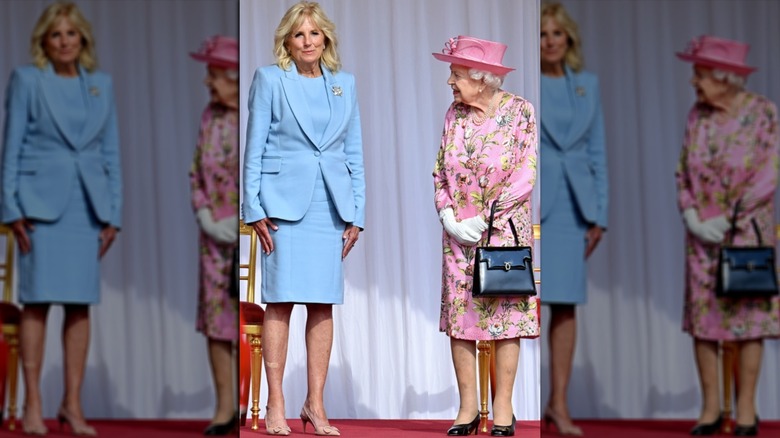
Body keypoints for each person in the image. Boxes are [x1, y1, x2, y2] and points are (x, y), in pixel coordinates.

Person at [242, 1, 365, 436]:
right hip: (281, 208)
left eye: (315, 34)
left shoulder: (344, 85)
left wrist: (358, 214)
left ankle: (315, 403)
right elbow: (253, 147)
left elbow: (353, 154)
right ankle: (276, 402)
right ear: (287, 42)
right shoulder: (270, 79)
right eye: (299, 35)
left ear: (325, 38)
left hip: (330, 209)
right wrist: (253, 208)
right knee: (279, 301)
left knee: (322, 303)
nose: (308, 41)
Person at [0, 2, 122, 436]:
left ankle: (72, 403)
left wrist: (114, 214)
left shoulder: (100, 85)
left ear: (83, 39)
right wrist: (11, 209)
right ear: (44, 41)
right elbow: (9, 147)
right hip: (38, 209)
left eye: (72, 34)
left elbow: (110, 154)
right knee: (35, 303)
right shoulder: (28, 80)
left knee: (79, 305)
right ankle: (33, 403)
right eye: (56, 34)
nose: (65, 41)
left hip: (87, 209)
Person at [432, 35, 539, 437]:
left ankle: (503, 408)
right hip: (459, 237)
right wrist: (449, 215)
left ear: (482, 77)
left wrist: (487, 219)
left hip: (504, 232)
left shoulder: (519, 112)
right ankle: (466, 409)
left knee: (506, 316)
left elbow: (525, 174)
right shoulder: (453, 115)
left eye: (456, 74)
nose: (451, 82)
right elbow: (440, 169)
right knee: (461, 319)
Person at [675, 35, 780, 437]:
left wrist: (732, 215)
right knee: (704, 321)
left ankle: (748, 410)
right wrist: (693, 214)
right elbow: (683, 168)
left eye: (699, 73)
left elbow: (769, 172)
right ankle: (710, 409)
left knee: (749, 320)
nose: (694, 82)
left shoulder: (762, 112)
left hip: (747, 232)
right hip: (702, 236)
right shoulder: (696, 115)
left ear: (724, 76)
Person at [538, 3, 608, 435]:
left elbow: (597, 150)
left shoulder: (587, 85)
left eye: (557, 34)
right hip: (533, 207)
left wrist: (599, 213)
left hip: (575, 209)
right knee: (518, 304)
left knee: (565, 308)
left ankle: (558, 404)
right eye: (543, 34)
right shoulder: (527, 81)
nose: (550, 41)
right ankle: (518, 403)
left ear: (569, 40)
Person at [188, 35, 240, 436]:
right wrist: (205, 214)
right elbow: (196, 172)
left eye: (214, 74)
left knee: (242, 323)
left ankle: (246, 404)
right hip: (213, 239)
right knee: (216, 324)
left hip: (249, 237)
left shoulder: (253, 116)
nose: (208, 82)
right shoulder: (209, 115)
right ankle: (223, 410)